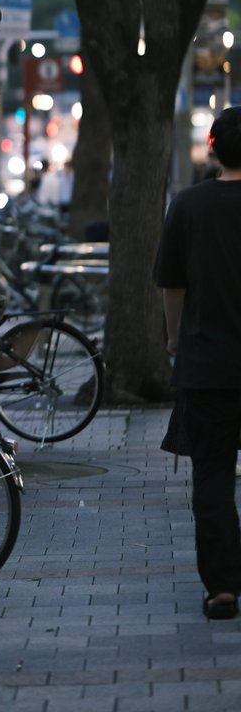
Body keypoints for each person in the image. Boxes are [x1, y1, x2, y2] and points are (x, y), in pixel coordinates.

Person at [156, 105, 241, 620]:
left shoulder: (187, 206)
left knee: (211, 477)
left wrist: (173, 338)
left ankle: (222, 587)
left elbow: (172, 284)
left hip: (208, 364)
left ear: (212, 148)